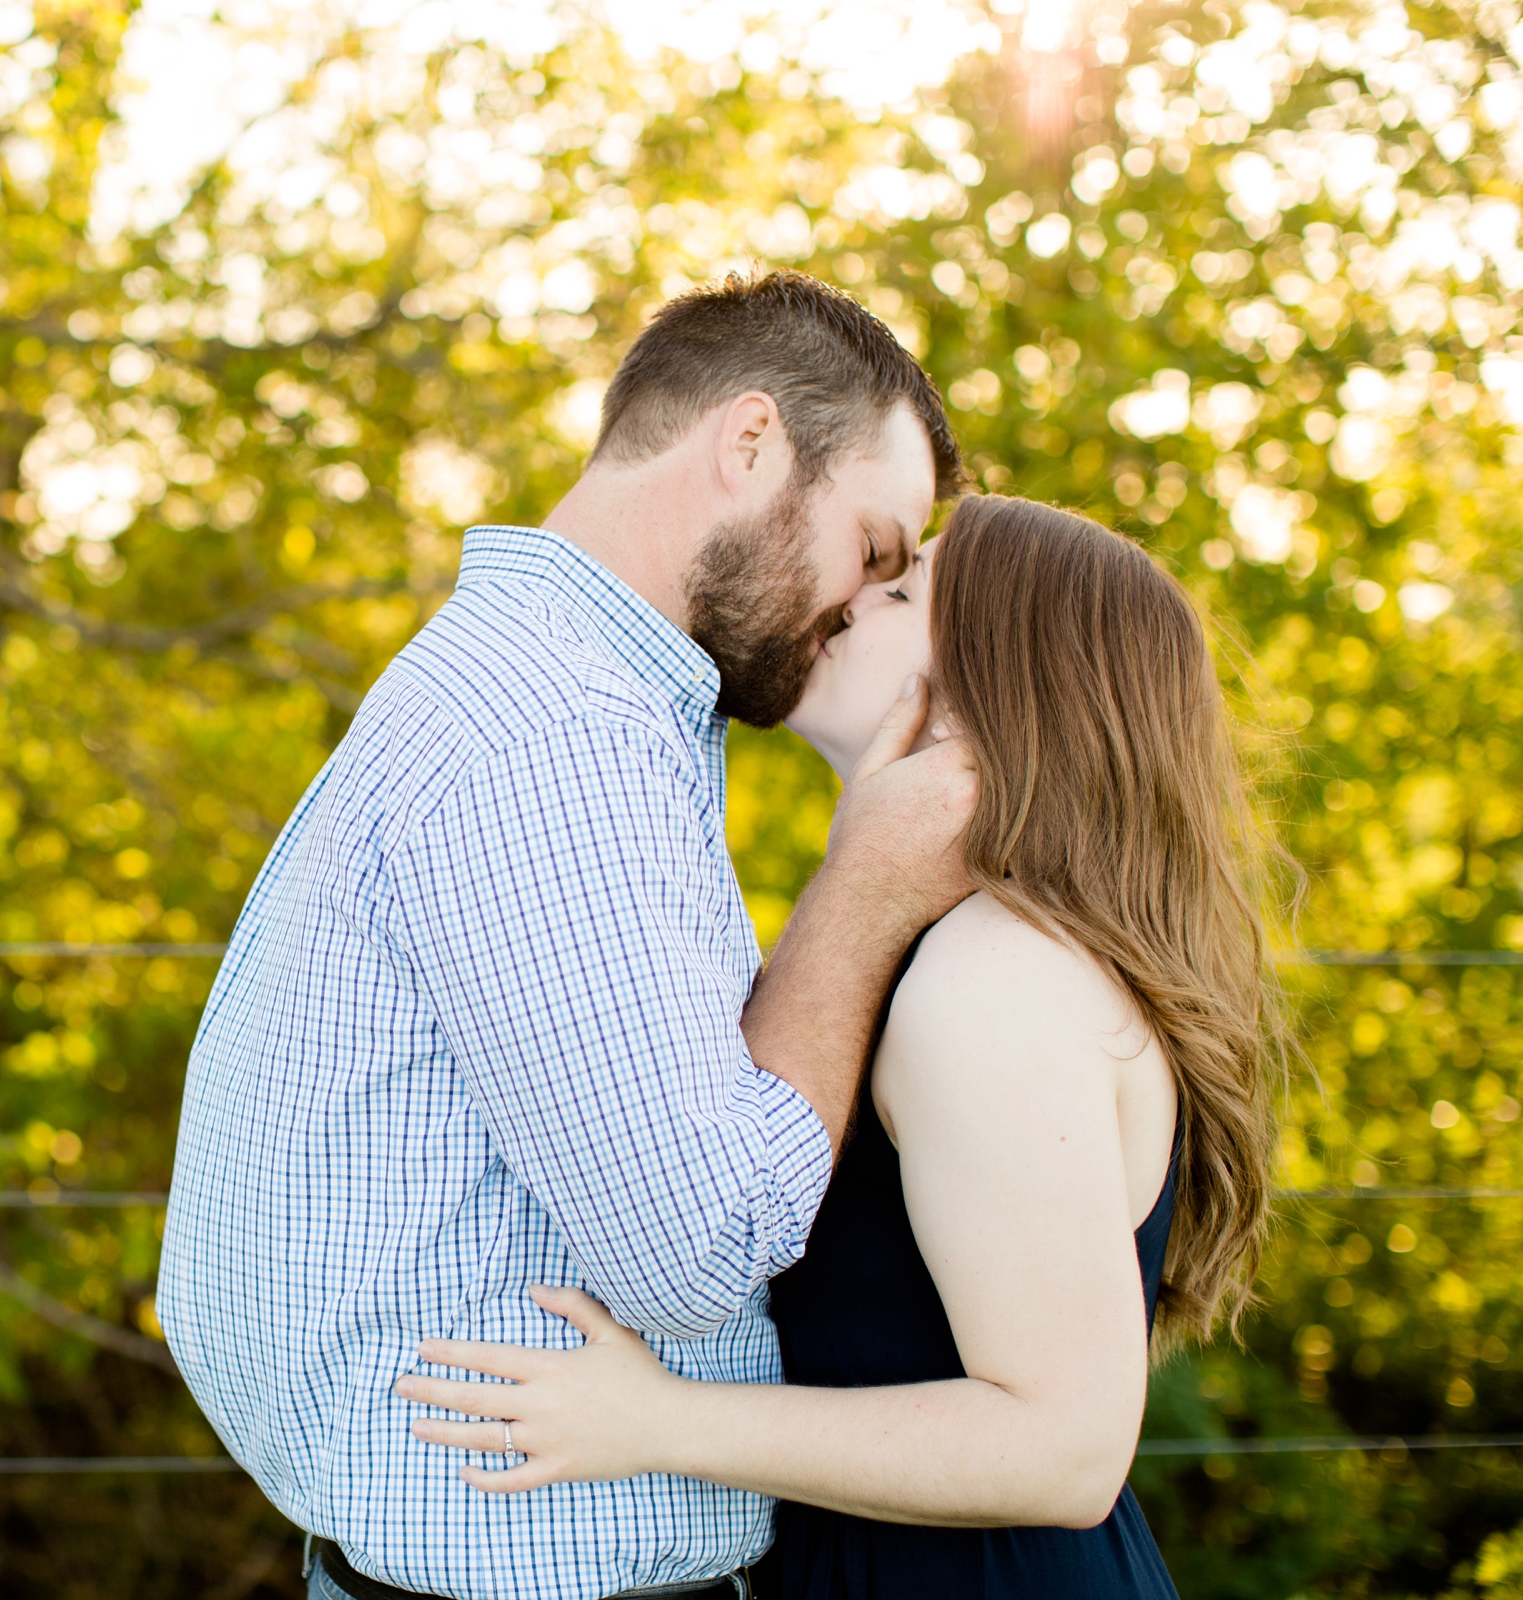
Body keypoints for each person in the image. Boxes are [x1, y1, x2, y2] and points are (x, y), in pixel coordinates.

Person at [157, 270, 979, 1600]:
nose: (857, 605)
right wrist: (867, 887)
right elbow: (696, 1246)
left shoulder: (552, 691)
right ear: (751, 444)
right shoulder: (559, 738)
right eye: (873, 553)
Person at [399, 496, 1287, 1600]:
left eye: (904, 592)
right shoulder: (947, 952)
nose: (852, 593)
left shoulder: (992, 981)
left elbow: (1067, 1448)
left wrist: (660, 1421)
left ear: (998, 694)